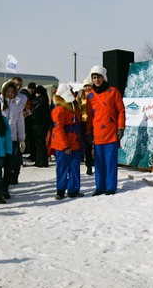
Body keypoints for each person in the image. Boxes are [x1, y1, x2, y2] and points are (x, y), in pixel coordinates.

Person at [85, 65, 125, 195]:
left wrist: (121, 127)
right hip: (97, 134)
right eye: (94, 77)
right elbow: (89, 116)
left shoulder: (113, 92)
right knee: (99, 162)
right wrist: (88, 132)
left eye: (99, 77)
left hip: (111, 133)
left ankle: (110, 187)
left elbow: (121, 110)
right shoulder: (90, 95)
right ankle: (100, 186)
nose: (96, 80)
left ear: (104, 78)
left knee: (110, 162)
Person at [49, 83, 83, 200]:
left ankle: (73, 189)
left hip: (75, 141)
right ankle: (61, 190)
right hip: (63, 144)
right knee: (62, 167)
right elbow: (58, 130)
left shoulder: (73, 107)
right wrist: (65, 146)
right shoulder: (59, 110)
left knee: (74, 167)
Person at [0, 80, 26, 191]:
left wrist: (21, 139)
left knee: (9, 165)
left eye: (12, 92)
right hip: (0, 139)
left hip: (13, 139)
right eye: (8, 91)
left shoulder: (17, 105)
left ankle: (5, 188)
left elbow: (20, 123)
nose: (10, 94)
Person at [27, 85, 52, 168]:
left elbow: (37, 113)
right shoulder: (45, 100)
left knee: (39, 143)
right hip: (42, 125)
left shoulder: (40, 101)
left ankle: (40, 161)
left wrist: (31, 116)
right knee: (41, 143)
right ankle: (41, 160)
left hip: (39, 125)